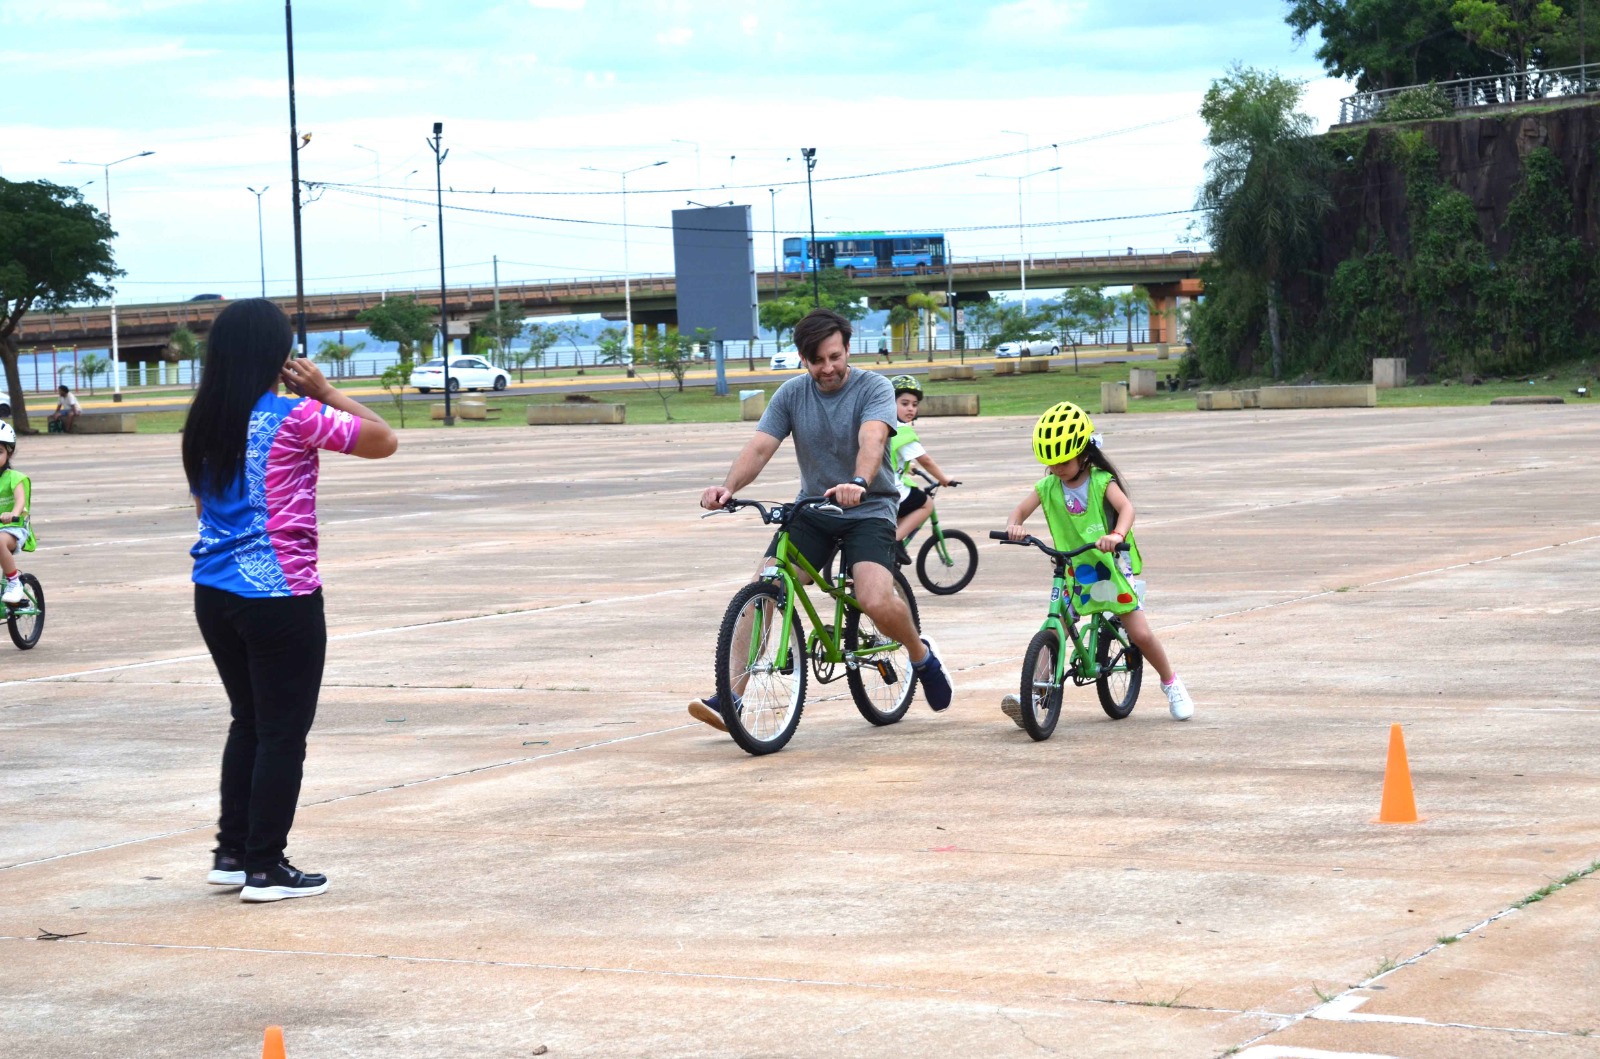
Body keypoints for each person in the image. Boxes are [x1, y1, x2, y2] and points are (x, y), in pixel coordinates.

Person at [184, 299, 398, 903]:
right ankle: (265, 866)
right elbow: (383, 440)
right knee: (283, 732)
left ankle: (231, 854)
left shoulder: (204, 420)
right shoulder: (296, 415)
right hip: (280, 594)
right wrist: (327, 390)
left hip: (215, 591)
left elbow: (205, 508)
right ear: (273, 356)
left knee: (248, 721)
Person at [691, 308, 954, 729]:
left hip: (869, 507)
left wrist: (858, 481)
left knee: (873, 599)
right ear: (803, 359)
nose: (828, 368)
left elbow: (872, 439)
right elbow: (760, 447)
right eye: (817, 360)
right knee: (766, 581)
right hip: (813, 508)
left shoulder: (875, 387)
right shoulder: (792, 395)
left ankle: (921, 656)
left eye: (835, 357)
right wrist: (728, 489)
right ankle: (732, 698)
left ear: (847, 349)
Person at [1000, 401, 1194, 722]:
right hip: (1073, 568)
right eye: (1052, 463)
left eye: (1064, 460)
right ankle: (1034, 696)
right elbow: (1019, 511)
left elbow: (1127, 508)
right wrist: (1014, 526)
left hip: (1110, 566)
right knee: (1056, 628)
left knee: (1140, 634)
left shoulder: (1101, 481)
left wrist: (1116, 534)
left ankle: (1171, 683)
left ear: (1085, 453)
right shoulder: (1048, 487)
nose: (1058, 468)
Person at [887, 374, 958, 564]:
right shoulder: (903, 431)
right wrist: (943, 479)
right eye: (904, 403)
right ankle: (893, 542)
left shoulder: (882, 426)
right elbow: (926, 460)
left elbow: (890, 456)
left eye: (914, 404)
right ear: (890, 402)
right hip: (891, 489)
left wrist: (906, 468)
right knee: (926, 503)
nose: (910, 408)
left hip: (877, 485)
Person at [0, 421, 35, 606]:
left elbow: (20, 501)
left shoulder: (15, 477)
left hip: (13, 528)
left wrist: (11, 513)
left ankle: (14, 583)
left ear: (9, 452)